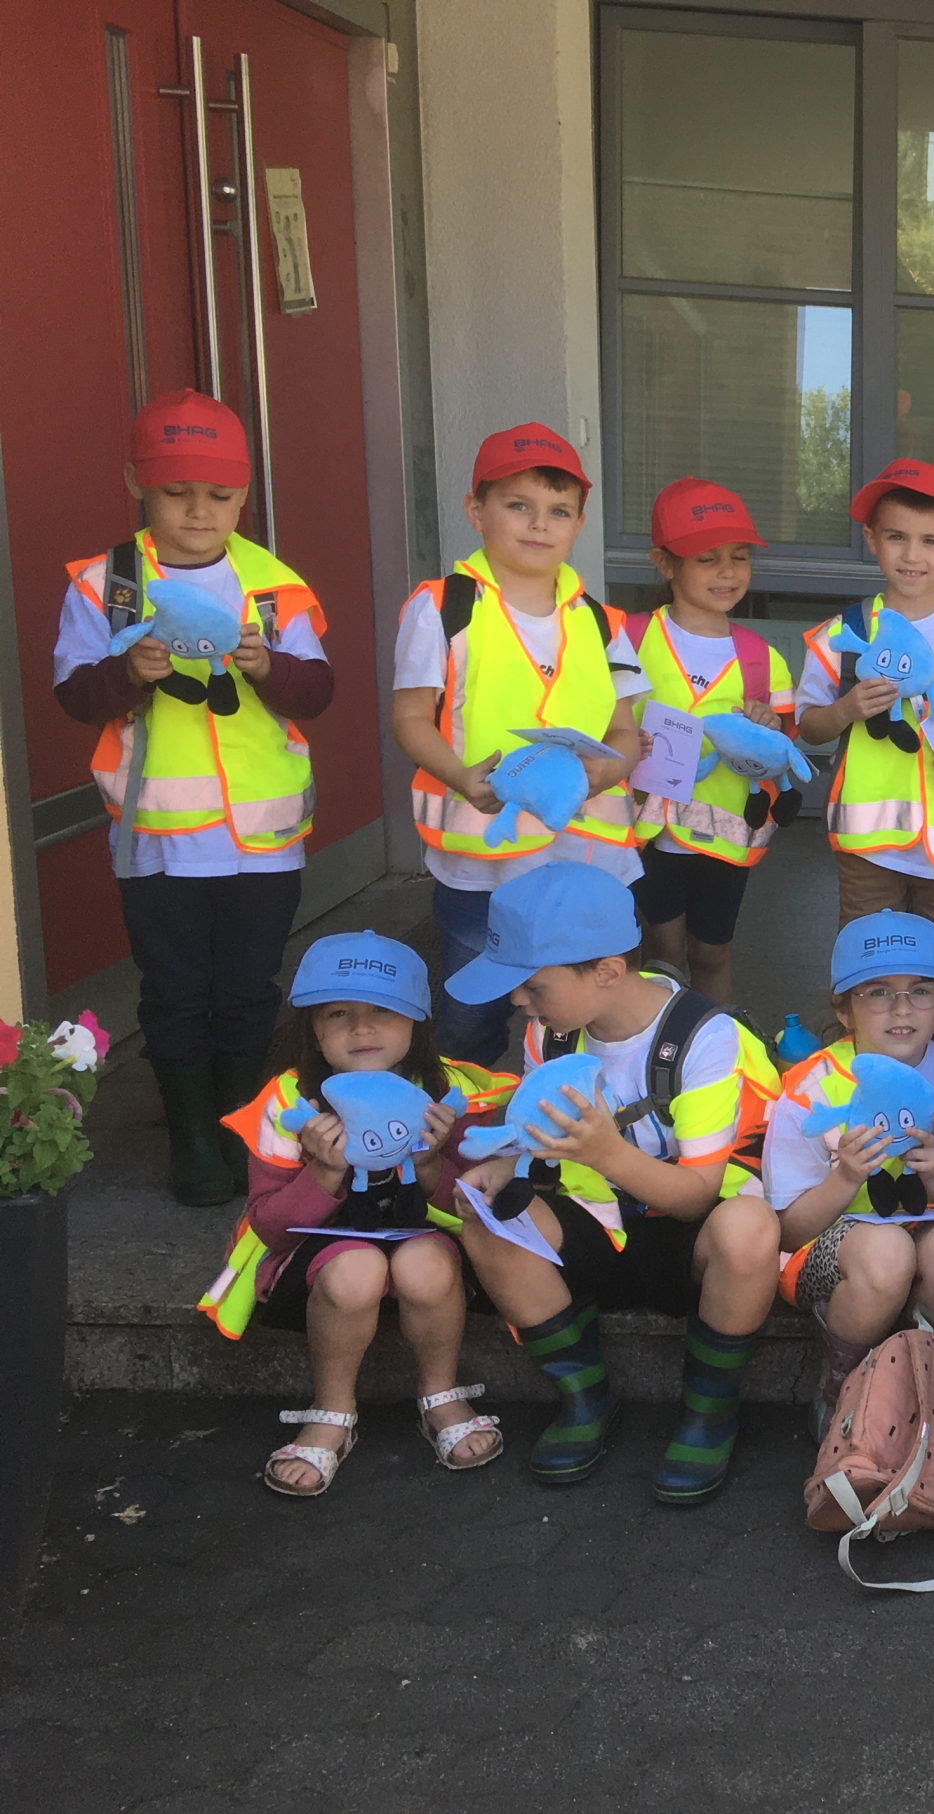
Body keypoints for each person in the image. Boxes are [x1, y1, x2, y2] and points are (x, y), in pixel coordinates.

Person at [53, 390, 336, 1204]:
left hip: (264, 838)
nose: (199, 512)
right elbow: (74, 697)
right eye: (177, 493)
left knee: (249, 990)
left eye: (218, 495)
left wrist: (264, 667)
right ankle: (190, 1145)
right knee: (175, 992)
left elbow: (316, 692)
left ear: (244, 495)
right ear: (138, 484)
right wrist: (124, 675)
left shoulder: (273, 585)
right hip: (155, 839)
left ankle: (234, 1131)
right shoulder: (106, 584)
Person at [444, 863, 781, 1505]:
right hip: (596, 1222)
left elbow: (697, 1195)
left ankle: (709, 1410)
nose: (519, 1001)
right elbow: (539, 1129)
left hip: (688, 1236)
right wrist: (503, 1164)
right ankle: (583, 1398)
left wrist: (604, 1152)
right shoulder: (553, 1025)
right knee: (483, 1210)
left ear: (605, 971)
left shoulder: (707, 1038)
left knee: (750, 1228)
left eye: (532, 987)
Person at [214, 934, 514, 1495]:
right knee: (356, 1269)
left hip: (426, 1241)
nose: (361, 1028)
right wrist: (323, 1172)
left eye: (383, 1010)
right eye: (338, 1014)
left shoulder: (450, 1090)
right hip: (318, 1258)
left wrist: (429, 1162)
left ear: (418, 1022)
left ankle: (440, 1396)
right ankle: (332, 1412)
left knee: (424, 1265)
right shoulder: (288, 1104)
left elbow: (475, 1207)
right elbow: (268, 1225)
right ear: (313, 1030)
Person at [391, 423, 648, 1069]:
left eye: (558, 511)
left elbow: (624, 730)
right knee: (473, 1020)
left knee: (580, 1022)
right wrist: (460, 776)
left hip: (585, 859)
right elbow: (410, 716)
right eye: (518, 506)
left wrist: (605, 772)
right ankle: (468, 1137)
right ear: (475, 511)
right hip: (485, 862)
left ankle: (570, 1149)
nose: (539, 525)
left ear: (579, 523)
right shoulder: (443, 607)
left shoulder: (599, 620)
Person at [798, 459, 934, 1036]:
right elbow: (808, 726)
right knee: (867, 960)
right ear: (871, 541)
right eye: (896, 537)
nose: (912, 555)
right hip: (868, 846)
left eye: (930, 541)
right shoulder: (841, 635)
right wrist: (845, 709)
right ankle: (864, 1069)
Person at [769, 911, 934, 1432]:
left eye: (921, 990)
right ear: (844, 1009)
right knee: (887, 1250)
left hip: (929, 1231)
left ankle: (923, 1384)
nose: (901, 1008)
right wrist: (845, 1177)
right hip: (831, 1252)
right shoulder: (811, 1086)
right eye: (876, 992)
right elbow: (788, 1227)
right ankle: (842, 1381)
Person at [628, 476, 797, 1007]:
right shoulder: (629, 638)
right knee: (660, 952)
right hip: (644, 831)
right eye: (707, 558)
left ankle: (719, 1049)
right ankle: (654, 1052)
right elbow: (596, 721)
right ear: (665, 563)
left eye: (739, 557)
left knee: (713, 953)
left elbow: (783, 750)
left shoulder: (762, 658)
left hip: (725, 835)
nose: (727, 572)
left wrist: (770, 725)